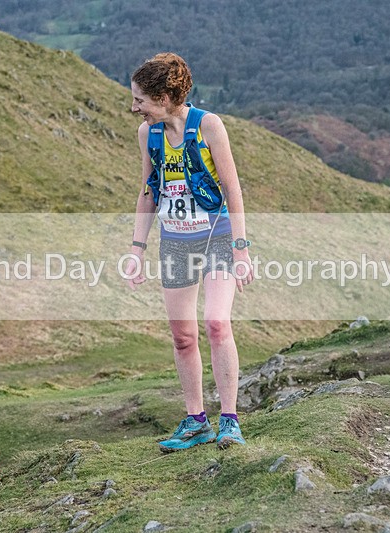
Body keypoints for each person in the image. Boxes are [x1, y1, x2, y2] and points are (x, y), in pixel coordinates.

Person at [126, 52, 254, 452]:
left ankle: (229, 421)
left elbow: (233, 190)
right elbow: (149, 191)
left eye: (140, 100)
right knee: (183, 336)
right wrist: (136, 248)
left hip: (216, 236)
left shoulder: (209, 126)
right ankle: (196, 421)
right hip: (175, 241)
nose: (134, 108)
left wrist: (241, 249)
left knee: (217, 323)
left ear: (165, 97)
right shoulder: (149, 135)